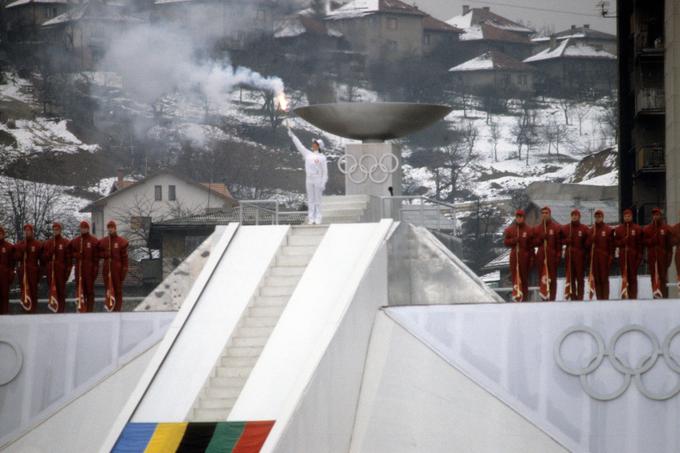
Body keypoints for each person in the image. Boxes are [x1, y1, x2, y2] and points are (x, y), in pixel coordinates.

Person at [287, 128, 328, 225]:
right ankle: (311, 218)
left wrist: (323, 183)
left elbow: (324, 172)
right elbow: (299, 146)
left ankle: (318, 218)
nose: (313, 145)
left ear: (319, 146)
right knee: (311, 200)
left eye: (315, 144)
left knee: (317, 200)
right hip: (309, 179)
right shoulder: (307, 154)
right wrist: (293, 136)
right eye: (313, 144)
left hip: (317, 178)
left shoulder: (322, 158)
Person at [503, 209, 534, 302]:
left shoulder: (528, 230)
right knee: (515, 278)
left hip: (525, 256)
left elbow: (531, 246)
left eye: (520, 217)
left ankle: (524, 299)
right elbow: (505, 242)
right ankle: (517, 297)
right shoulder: (510, 229)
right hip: (514, 256)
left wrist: (531, 258)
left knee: (524, 279)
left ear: (523, 218)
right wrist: (513, 241)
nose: (519, 218)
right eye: (517, 217)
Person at [98, 220, 128, 312]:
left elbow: (125, 259)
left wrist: (124, 271)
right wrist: (105, 254)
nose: (110, 229)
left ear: (115, 228)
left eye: (112, 227)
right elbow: (97, 253)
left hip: (117, 270)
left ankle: (117, 310)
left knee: (118, 290)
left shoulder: (121, 241)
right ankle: (110, 308)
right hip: (107, 269)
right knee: (108, 289)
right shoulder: (103, 241)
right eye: (109, 228)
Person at [42, 223, 72, 313]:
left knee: (61, 293)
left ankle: (61, 311)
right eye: (54, 229)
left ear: (60, 230)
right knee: (52, 291)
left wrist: (67, 273)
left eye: (57, 229)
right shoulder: (48, 243)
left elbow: (69, 260)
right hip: (51, 271)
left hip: (61, 272)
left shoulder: (65, 242)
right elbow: (44, 259)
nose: (55, 231)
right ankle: (53, 310)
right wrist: (50, 253)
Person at [613, 209, 643, 299]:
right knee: (624, 276)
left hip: (633, 256)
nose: (627, 218)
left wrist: (639, 258)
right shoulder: (618, 229)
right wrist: (623, 241)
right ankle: (625, 295)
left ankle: (633, 297)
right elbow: (615, 243)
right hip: (623, 256)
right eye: (625, 216)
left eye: (629, 216)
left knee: (633, 277)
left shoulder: (637, 228)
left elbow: (640, 245)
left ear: (632, 217)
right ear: (623, 217)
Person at [643, 207, 673, 299]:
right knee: (653, 276)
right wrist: (651, 241)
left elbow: (669, 246)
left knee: (663, 277)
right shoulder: (647, 229)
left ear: (660, 215)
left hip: (662, 256)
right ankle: (655, 294)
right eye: (654, 215)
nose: (655, 216)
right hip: (652, 255)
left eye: (657, 215)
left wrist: (668, 260)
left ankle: (664, 295)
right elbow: (643, 242)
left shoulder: (666, 228)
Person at [533, 206, 561, 301]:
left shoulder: (556, 227)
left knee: (552, 279)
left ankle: (552, 298)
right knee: (542, 277)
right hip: (541, 256)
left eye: (546, 213)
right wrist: (541, 238)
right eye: (543, 213)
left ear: (549, 214)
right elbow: (534, 243)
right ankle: (544, 298)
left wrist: (558, 256)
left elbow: (559, 244)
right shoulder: (537, 228)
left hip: (552, 256)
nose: (544, 215)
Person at [71, 220, 99, 313]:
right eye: (82, 228)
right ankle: (80, 310)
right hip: (79, 271)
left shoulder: (94, 241)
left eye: (85, 228)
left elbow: (96, 258)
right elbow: (69, 253)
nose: (83, 230)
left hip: (89, 271)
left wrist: (95, 271)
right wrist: (76, 255)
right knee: (79, 290)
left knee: (90, 292)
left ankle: (90, 311)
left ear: (88, 229)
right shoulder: (76, 241)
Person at [561, 209, 589, 301]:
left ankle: (580, 297)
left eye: (576, 215)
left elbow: (588, 242)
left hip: (580, 256)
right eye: (573, 215)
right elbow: (559, 240)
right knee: (571, 278)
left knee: (580, 278)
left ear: (579, 217)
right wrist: (566, 241)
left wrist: (585, 247)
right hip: (569, 256)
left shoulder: (584, 228)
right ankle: (573, 297)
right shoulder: (566, 228)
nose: (574, 217)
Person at [585, 210, 614, 300]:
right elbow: (586, 245)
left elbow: (612, 246)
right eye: (596, 217)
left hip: (604, 258)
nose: (598, 218)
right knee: (596, 279)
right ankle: (599, 298)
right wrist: (591, 240)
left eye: (599, 217)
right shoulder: (591, 230)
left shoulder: (608, 230)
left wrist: (610, 258)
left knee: (604, 279)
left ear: (602, 217)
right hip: (594, 259)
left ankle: (605, 298)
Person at [14, 224, 43, 313]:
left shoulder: (37, 244)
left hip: (33, 271)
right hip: (23, 271)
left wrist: (39, 273)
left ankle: (33, 310)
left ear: (32, 231)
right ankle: (24, 309)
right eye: (25, 230)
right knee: (24, 291)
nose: (27, 232)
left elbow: (41, 260)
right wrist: (21, 252)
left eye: (28, 230)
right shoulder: (20, 244)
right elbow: (16, 258)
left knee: (33, 291)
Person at [0, 227, 15, 315]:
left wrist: (11, 275)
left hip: (5, 276)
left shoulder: (9, 247)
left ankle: (5, 316)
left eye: (0, 233)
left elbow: (12, 264)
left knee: (5, 296)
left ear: (3, 235)